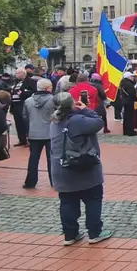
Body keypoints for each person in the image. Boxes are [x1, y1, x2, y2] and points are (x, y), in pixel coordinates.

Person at [49, 92, 113, 245]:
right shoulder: (77, 120)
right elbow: (98, 122)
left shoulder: (54, 121)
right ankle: (95, 232)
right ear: (72, 104)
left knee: (67, 201)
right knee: (93, 199)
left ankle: (70, 235)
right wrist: (85, 109)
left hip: (61, 168)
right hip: (83, 166)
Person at [24, 78, 56, 188]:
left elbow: (25, 117)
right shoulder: (53, 100)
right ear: (47, 88)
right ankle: (54, 181)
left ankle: (30, 182)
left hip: (34, 133)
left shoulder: (28, 101)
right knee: (51, 158)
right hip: (50, 133)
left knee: (33, 158)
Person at [9, 69, 31, 146]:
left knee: (25, 122)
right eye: (16, 73)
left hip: (23, 104)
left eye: (18, 73)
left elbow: (32, 91)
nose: (16, 75)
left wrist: (23, 93)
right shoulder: (16, 82)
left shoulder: (29, 81)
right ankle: (21, 139)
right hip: (15, 105)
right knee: (18, 123)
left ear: (23, 73)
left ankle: (29, 139)